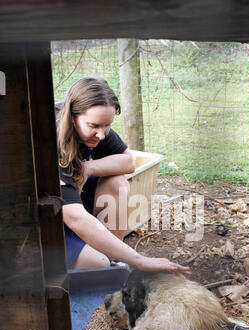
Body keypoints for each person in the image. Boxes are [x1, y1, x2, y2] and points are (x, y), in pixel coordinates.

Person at [57, 76, 191, 277]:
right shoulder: (52, 142)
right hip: (45, 221)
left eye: (107, 125)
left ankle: (114, 257)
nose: (101, 135)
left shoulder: (95, 126)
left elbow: (128, 162)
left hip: (70, 203)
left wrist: (88, 168)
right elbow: (75, 217)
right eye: (94, 126)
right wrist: (140, 260)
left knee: (116, 182)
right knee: (97, 262)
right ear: (73, 117)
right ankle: (102, 256)